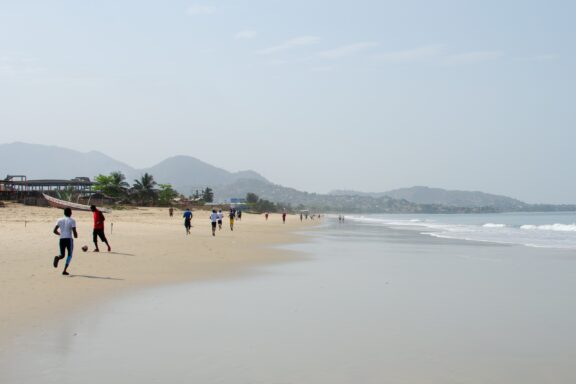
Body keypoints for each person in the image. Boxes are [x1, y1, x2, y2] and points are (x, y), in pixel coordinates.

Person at [53, 207, 78, 276]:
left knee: (62, 255)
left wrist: (60, 234)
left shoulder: (59, 220)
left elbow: (54, 231)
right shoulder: (72, 220)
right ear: (70, 213)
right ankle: (64, 270)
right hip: (69, 239)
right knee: (69, 255)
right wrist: (76, 236)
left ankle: (58, 257)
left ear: (64, 213)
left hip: (61, 239)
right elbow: (74, 231)